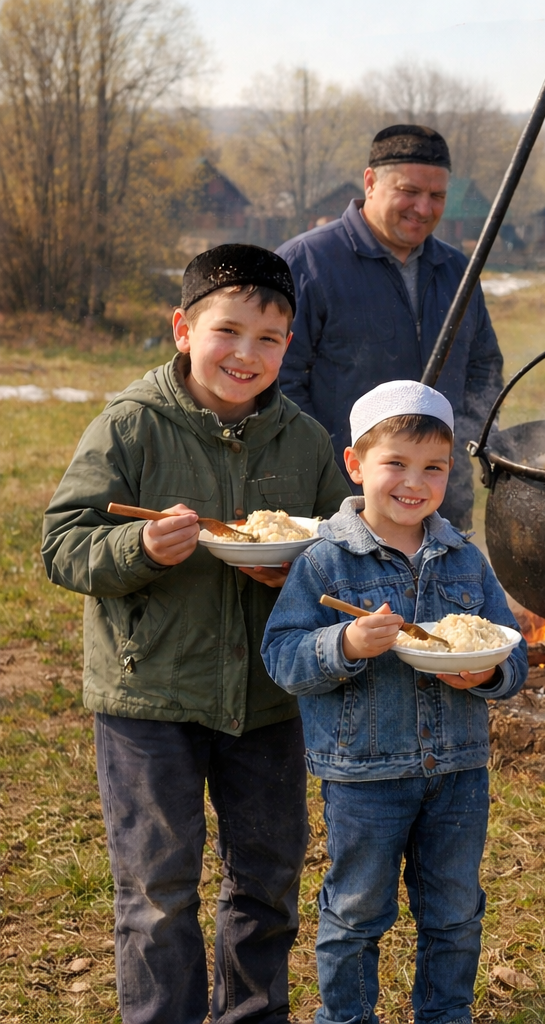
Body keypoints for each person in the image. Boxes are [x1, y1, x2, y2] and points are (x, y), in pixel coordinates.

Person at [40, 245, 353, 1024]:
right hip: (151, 695)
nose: (246, 355)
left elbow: (339, 554)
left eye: (269, 339)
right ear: (183, 328)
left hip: (268, 699)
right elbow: (61, 544)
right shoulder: (131, 428)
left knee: (270, 877)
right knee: (157, 888)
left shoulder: (306, 443)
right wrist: (137, 549)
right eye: (228, 331)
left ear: (290, 346)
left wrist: (301, 577)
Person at [262, 380, 529, 1024]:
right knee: (356, 910)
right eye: (396, 464)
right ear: (356, 464)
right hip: (364, 775)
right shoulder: (326, 563)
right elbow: (283, 655)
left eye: (433, 467)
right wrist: (347, 642)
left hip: (458, 771)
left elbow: (512, 655)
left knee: (455, 909)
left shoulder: (466, 561)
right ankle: (347, 1017)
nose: (415, 482)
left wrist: (487, 676)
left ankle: (444, 1015)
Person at [277, 124, 504, 529]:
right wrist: (335, 464)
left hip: (440, 501)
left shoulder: (457, 270)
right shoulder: (307, 263)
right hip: (341, 500)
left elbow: (483, 365)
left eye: (437, 196)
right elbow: (281, 381)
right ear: (370, 182)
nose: (423, 208)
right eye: (409, 191)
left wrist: (454, 445)